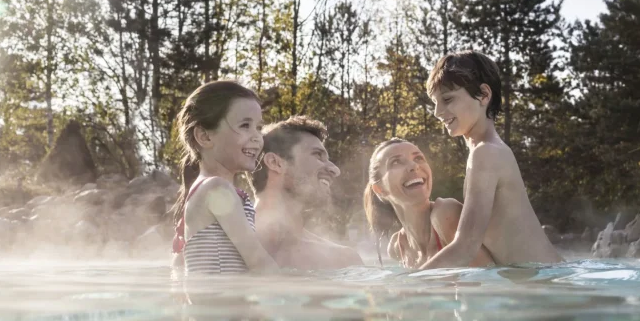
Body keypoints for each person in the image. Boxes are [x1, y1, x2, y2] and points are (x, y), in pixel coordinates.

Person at [420, 51, 562, 268]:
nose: (438, 112)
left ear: (484, 95)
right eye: (435, 102)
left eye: (447, 99)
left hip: (549, 286)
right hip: (541, 279)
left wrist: (406, 286)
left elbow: (466, 247)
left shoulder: (486, 153)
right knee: (443, 212)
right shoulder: (485, 151)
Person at [171, 80, 278, 274]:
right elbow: (259, 263)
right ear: (205, 137)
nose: (257, 137)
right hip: (227, 303)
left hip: (215, 303)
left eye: (259, 128)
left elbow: (178, 268)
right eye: (245, 125)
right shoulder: (216, 189)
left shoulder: (201, 191)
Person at [249, 116, 363, 270]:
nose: (335, 170)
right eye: (317, 155)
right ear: (275, 163)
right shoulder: (223, 246)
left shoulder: (343, 260)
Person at [364, 137, 494, 268]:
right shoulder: (397, 247)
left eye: (418, 158)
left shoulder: (445, 214)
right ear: (380, 189)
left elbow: (489, 279)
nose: (414, 166)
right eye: (396, 162)